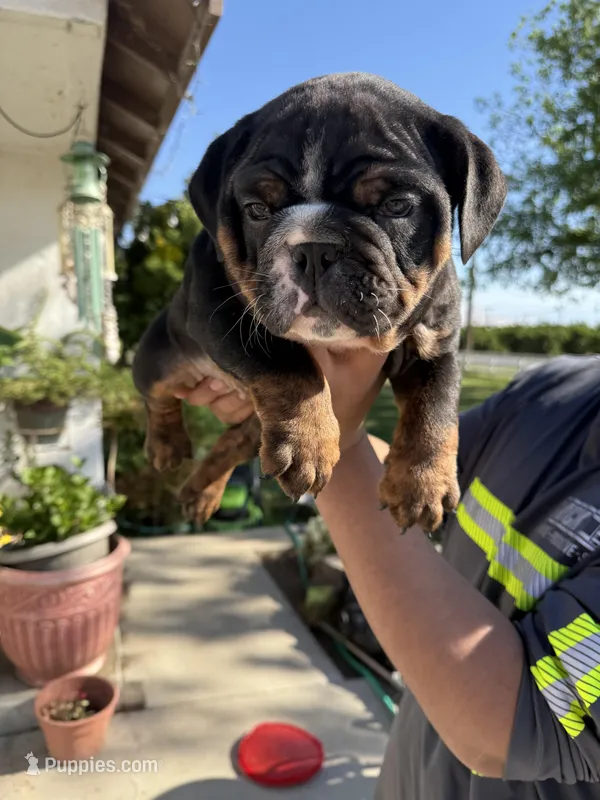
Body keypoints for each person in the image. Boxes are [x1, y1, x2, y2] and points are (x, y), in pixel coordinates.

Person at [177, 347, 600, 799]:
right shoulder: (553, 391)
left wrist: (333, 434)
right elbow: (415, 488)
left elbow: (506, 724)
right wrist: (291, 408)